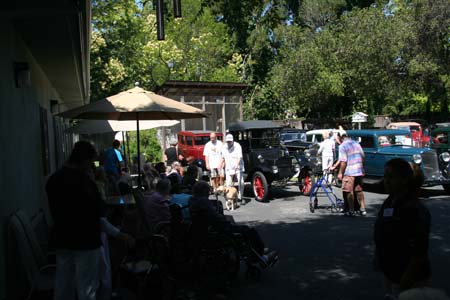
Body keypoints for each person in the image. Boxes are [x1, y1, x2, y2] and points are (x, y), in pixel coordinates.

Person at [46, 141, 131, 300]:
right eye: (90, 162)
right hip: (86, 241)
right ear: (85, 160)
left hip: (62, 239)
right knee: (87, 287)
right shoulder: (84, 183)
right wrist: (119, 233)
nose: (91, 166)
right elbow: (99, 213)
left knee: (64, 284)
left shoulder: (53, 180)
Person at [374, 159, 431, 300]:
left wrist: (407, 278)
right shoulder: (391, 200)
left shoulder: (414, 209)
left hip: (409, 276)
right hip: (392, 271)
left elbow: (419, 249)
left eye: (391, 177)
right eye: (385, 176)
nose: (386, 181)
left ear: (405, 180)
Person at [189, 181, 278, 264]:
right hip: (217, 229)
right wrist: (225, 219)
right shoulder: (204, 202)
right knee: (249, 230)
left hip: (203, 229)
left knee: (242, 230)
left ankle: (258, 250)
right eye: (208, 191)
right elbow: (216, 217)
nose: (209, 193)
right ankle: (262, 256)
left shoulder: (192, 200)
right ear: (204, 191)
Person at [337, 133, 366, 216]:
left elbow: (343, 161)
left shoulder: (342, 146)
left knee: (349, 191)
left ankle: (351, 210)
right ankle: (362, 209)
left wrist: (340, 173)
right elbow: (363, 156)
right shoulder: (356, 144)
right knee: (359, 190)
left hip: (349, 171)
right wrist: (363, 168)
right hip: (359, 170)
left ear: (340, 138)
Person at [220, 134, 244, 203]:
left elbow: (239, 157)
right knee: (228, 183)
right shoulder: (224, 147)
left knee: (241, 182)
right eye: (227, 141)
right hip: (229, 167)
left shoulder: (237, 146)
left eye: (230, 141)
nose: (229, 143)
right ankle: (229, 198)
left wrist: (237, 164)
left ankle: (240, 197)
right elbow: (223, 157)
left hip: (238, 166)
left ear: (233, 140)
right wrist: (220, 165)